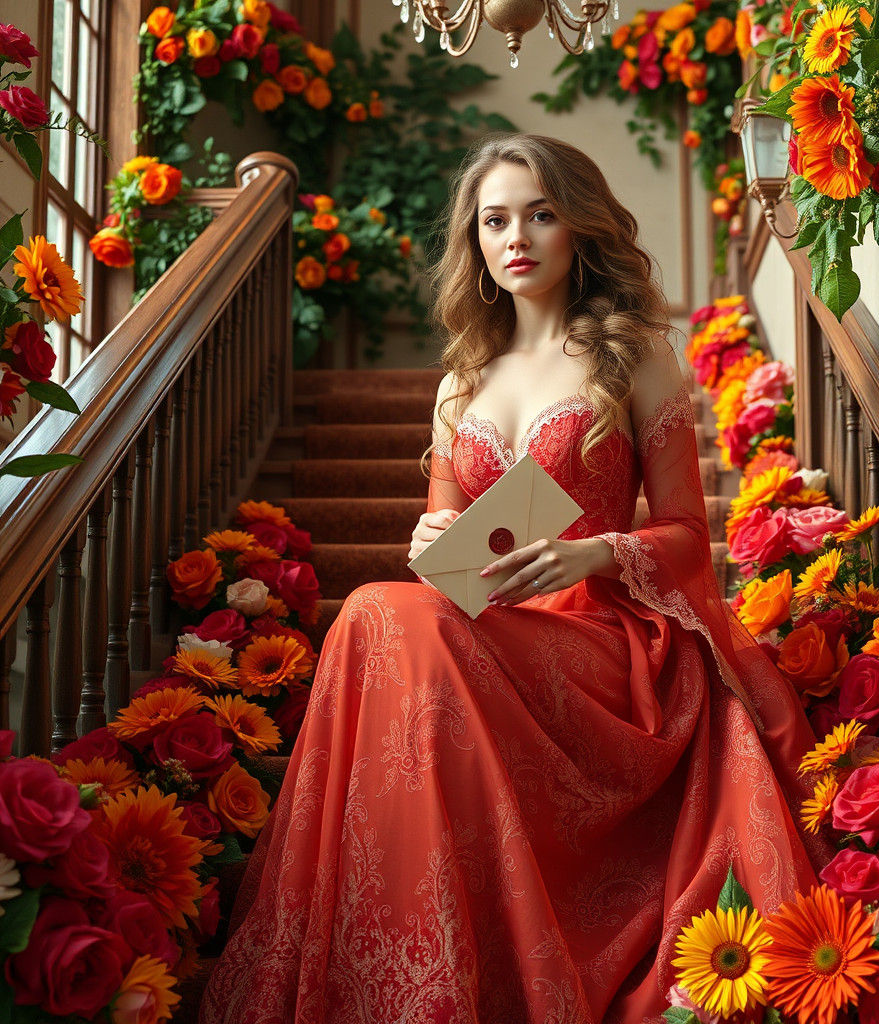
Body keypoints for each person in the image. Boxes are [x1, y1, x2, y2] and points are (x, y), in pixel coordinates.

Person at [200, 134, 827, 1024]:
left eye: (540, 213)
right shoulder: (462, 384)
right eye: (495, 219)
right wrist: (436, 541)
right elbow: (445, 557)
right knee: (381, 613)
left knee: (388, 619)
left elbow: (690, 535)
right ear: (476, 242)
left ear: (579, 228)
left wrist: (596, 552)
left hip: (611, 642)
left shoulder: (634, 356)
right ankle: (415, 967)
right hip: (494, 632)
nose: (517, 236)